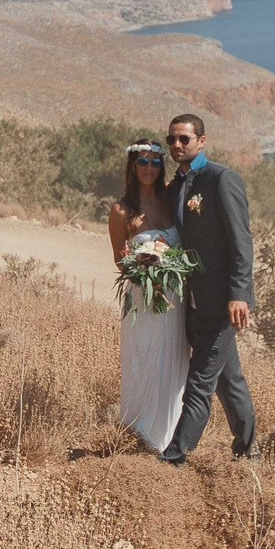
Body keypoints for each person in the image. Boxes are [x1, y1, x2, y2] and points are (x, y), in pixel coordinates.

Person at [160, 115, 257, 464]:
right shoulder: (174, 189)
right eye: (172, 140)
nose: (177, 146)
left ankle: (174, 457)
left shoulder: (221, 179)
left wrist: (239, 293)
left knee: (200, 381)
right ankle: (249, 450)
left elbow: (240, 240)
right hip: (194, 303)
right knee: (229, 382)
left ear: (202, 141)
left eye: (184, 139)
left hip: (222, 303)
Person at [108, 140, 188, 452]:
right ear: (132, 165)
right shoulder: (121, 210)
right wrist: (137, 266)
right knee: (143, 358)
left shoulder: (171, 199)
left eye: (155, 162)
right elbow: (118, 257)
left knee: (173, 358)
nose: (149, 168)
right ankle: (139, 431)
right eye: (143, 161)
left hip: (173, 297)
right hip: (142, 297)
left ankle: (169, 434)